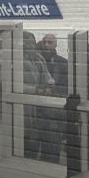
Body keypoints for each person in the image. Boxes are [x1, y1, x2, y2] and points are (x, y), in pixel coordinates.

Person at [35, 33, 69, 161]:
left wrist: (54, 91)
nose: (47, 45)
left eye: (50, 42)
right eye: (45, 42)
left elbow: (67, 86)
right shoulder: (38, 61)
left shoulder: (63, 63)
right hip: (39, 107)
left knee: (54, 144)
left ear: (56, 44)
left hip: (55, 109)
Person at [22, 31, 53, 160]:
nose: (30, 46)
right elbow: (9, 84)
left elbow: (48, 77)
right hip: (23, 107)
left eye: (32, 43)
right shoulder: (14, 59)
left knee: (35, 142)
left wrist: (49, 86)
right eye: (27, 43)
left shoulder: (39, 58)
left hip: (39, 107)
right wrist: (34, 90)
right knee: (24, 142)